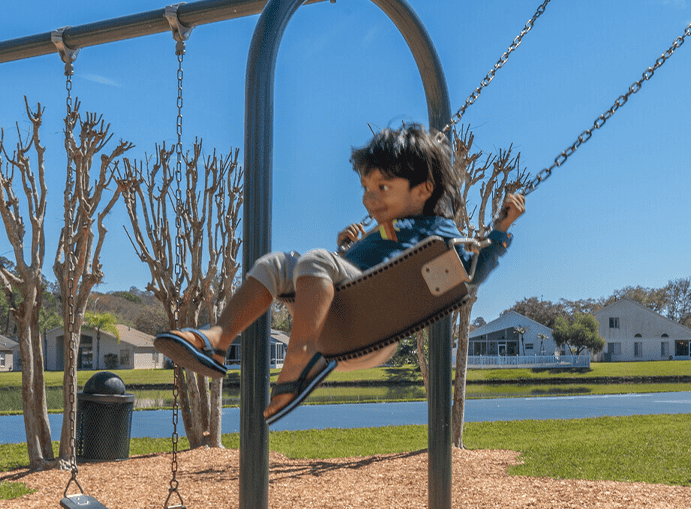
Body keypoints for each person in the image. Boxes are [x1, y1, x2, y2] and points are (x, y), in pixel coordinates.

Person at [154, 123, 525, 424]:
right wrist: (348, 251)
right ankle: (218, 340)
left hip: (373, 332)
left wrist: (500, 231)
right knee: (274, 264)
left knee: (315, 259)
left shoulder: (439, 233)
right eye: (366, 187)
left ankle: (301, 354)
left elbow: (468, 274)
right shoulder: (382, 232)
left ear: (424, 189)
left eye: (383, 187)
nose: (370, 198)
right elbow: (355, 274)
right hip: (344, 319)